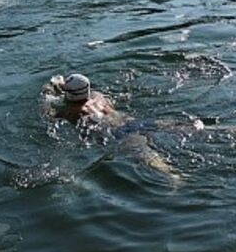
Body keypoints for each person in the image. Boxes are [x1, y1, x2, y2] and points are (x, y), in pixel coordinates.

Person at [41, 73, 193, 180]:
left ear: (69, 94)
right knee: (174, 126)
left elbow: (47, 113)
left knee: (145, 153)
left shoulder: (70, 112)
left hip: (117, 133)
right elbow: (77, 92)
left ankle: (173, 176)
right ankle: (205, 128)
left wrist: (47, 93)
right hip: (130, 121)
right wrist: (64, 86)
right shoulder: (97, 97)